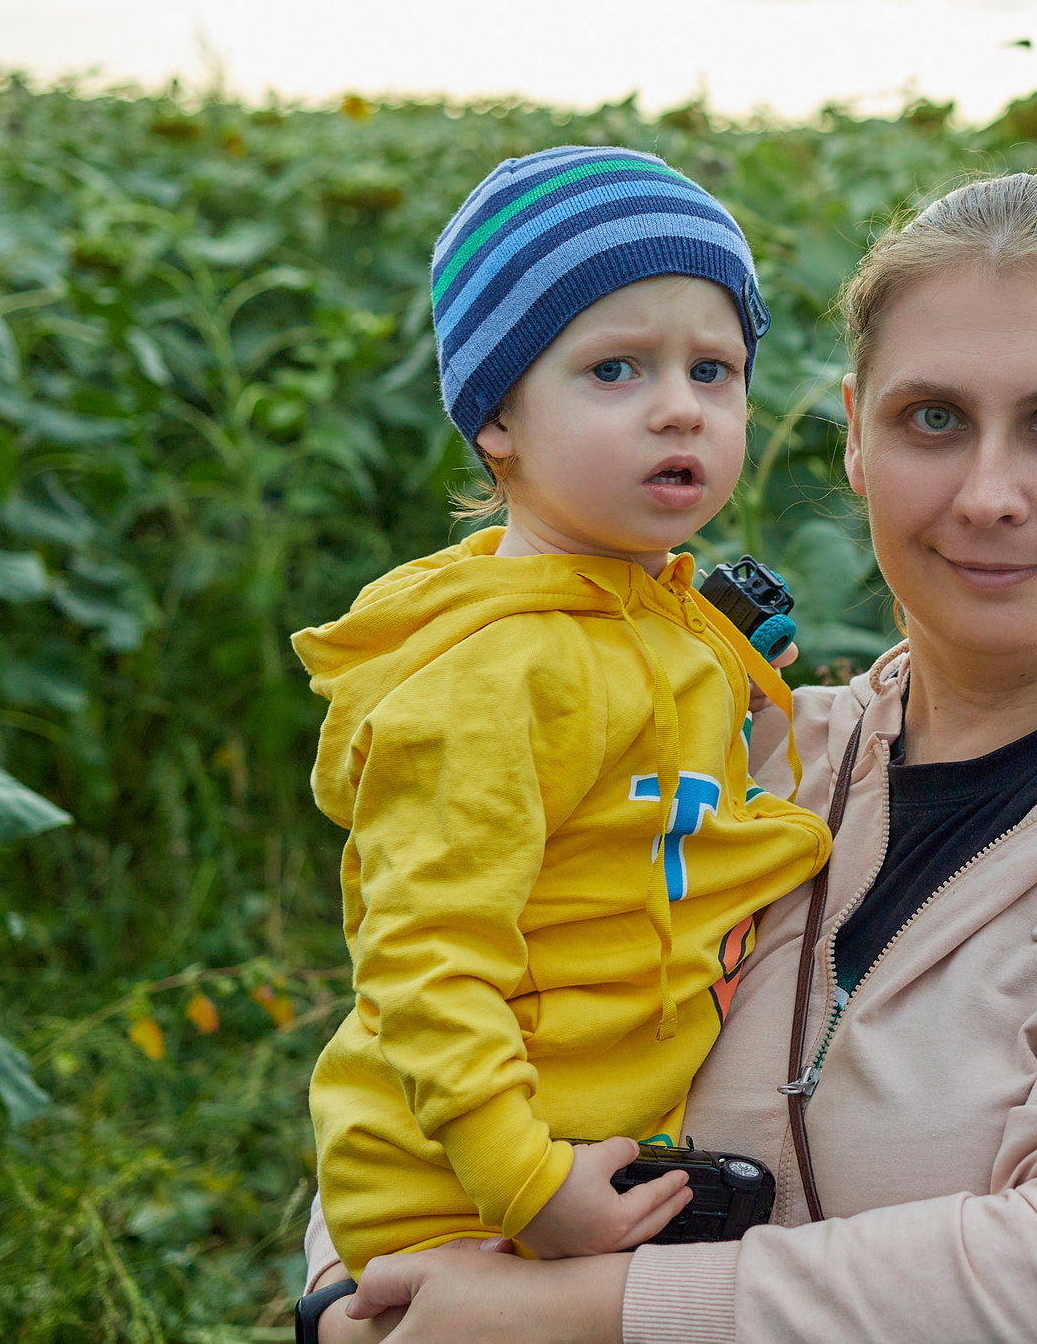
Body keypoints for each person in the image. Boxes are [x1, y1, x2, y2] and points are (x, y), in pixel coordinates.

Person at [307, 173, 1037, 1343]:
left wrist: (574, 1312)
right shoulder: (741, 757)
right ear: (856, 437)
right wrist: (358, 1297)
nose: (987, 496)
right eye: (931, 418)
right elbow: (425, 1029)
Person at [296, 146, 832, 1276]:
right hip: (473, 1193)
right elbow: (424, 958)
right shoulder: (495, 676)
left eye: (714, 371)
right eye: (615, 371)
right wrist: (526, 1183)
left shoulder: (662, 621)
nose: (679, 410)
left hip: (595, 1157)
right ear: (496, 416)